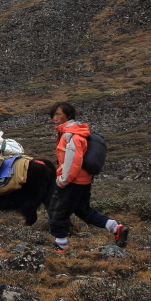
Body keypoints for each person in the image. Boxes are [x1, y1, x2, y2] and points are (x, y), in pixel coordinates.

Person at [48, 102, 129, 253]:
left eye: (59, 114)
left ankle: (61, 245)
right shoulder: (77, 132)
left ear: (69, 115)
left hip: (73, 181)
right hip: (83, 180)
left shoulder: (71, 135)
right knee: (83, 211)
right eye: (54, 114)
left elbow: (73, 160)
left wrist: (63, 180)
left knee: (56, 211)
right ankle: (115, 227)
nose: (55, 118)